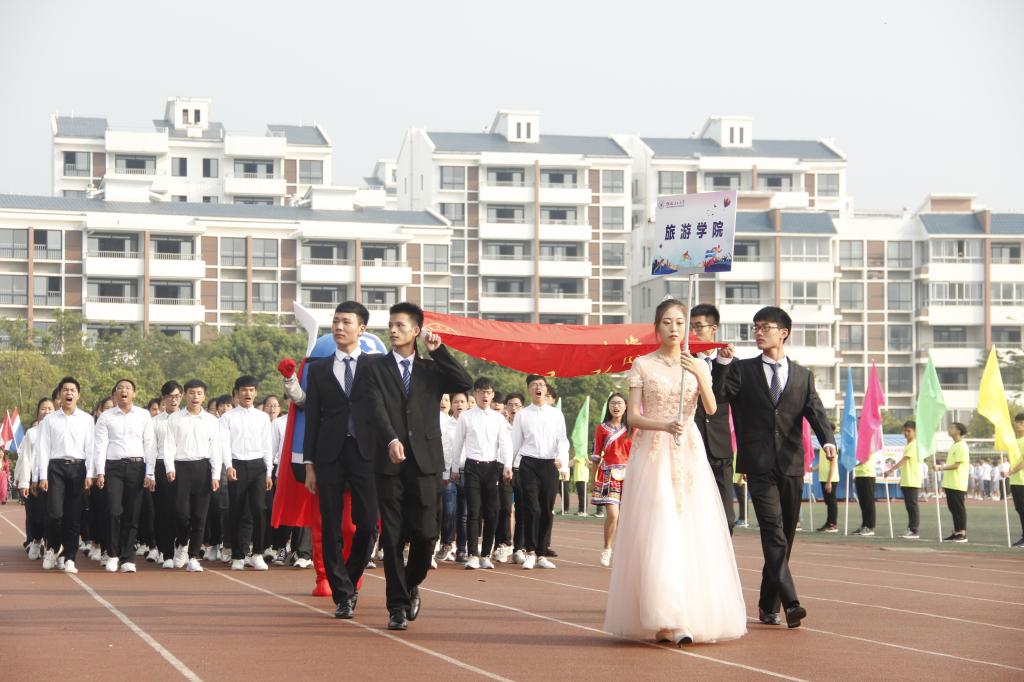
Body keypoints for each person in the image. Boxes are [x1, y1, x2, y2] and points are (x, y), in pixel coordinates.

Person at [604, 299, 746, 645]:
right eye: (667, 322)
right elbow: (633, 417)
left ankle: (689, 613)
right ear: (656, 328)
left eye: (680, 323)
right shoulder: (642, 365)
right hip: (653, 451)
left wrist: (698, 371)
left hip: (688, 452)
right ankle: (664, 617)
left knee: (691, 528)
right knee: (659, 527)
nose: (674, 328)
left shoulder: (695, 364)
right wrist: (664, 425)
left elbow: (711, 408)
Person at [720, 306, 836, 629]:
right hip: (757, 465)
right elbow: (718, 397)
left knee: (785, 537)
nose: (758, 332)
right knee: (772, 531)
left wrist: (827, 440)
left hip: (791, 464)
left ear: (783, 333)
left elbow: (816, 412)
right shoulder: (741, 370)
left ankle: (767, 604)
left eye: (765, 327)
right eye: (756, 327)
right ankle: (791, 603)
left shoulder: (803, 376)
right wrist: (722, 366)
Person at [363, 301, 472, 631]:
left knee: (426, 535)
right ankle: (396, 606)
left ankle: (411, 583)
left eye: (400, 325)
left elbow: (463, 382)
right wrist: (390, 439)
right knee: (393, 537)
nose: (393, 330)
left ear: (416, 330)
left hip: (425, 463)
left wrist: (438, 351)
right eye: (390, 325)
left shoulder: (430, 369)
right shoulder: (375, 368)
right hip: (389, 463)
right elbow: (375, 409)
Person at [302, 301, 380, 619]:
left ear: (361, 329)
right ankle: (343, 594)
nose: (338, 327)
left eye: (346, 322)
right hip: (328, 455)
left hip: (366, 454)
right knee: (331, 525)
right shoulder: (319, 369)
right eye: (335, 321)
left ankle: (350, 575)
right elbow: (312, 419)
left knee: (368, 525)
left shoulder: (376, 365)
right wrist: (309, 464)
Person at [94, 378, 157, 573]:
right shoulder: (106, 417)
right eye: (120, 388)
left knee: (132, 513)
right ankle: (113, 554)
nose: (124, 391)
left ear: (134, 393)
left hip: (137, 467)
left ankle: (128, 557)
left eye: (128, 388)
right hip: (113, 467)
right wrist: (100, 471)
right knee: (114, 511)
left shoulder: (143, 415)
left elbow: (150, 444)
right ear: (115, 394)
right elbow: (100, 445)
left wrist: (150, 472)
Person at [450, 377, 513, 570]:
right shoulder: (466, 417)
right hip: (472, 467)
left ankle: (486, 554)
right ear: (475, 394)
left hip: (492, 467)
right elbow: (458, 443)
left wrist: (507, 465)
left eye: (488, 392)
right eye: (481, 392)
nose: (485, 396)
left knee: (492, 512)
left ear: (492, 395)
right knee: (474, 511)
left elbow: (505, 443)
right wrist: (454, 467)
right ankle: (472, 555)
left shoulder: (498, 418)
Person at [38, 377, 95, 574]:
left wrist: (90, 473)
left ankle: (70, 557)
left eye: (72, 390)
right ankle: (54, 548)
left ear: (78, 395)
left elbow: (91, 448)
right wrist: (42, 475)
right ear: (60, 395)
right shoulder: (50, 420)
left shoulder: (86, 419)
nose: (69, 393)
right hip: (55, 468)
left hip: (78, 469)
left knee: (73, 516)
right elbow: (43, 448)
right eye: (65, 390)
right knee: (55, 514)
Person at [511, 375, 569, 570]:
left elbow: (563, 440)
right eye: (534, 385)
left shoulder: (556, 414)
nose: (538, 388)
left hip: (550, 465)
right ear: (529, 390)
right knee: (532, 509)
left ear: (546, 390)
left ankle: (542, 554)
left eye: (541, 385)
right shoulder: (522, 415)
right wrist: (509, 466)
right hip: (528, 464)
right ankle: (530, 552)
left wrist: (563, 461)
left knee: (546, 509)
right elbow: (515, 442)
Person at [164, 379, 222, 572]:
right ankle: (182, 543)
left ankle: (194, 557)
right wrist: (169, 467)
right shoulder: (175, 419)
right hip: (180, 468)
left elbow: (215, 448)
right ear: (185, 395)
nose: (195, 397)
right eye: (191, 393)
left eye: (199, 393)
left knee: (199, 516)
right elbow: (169, 445)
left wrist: (215, 475)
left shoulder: (211, 421)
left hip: (203, 468)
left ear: (204, 396)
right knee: (181, 514)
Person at [689, 304, 736, 531]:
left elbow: (717, 400)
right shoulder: (684, 361)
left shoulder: (732, 364)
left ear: (714, 328)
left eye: (699, 326)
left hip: (720, 449)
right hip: (691, 445)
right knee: (694, 515)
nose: (694, 332)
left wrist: (723, 366)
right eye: (691, 327)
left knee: (727, 519)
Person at [220, 375, 274, 570]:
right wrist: (228, 466)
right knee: (236, 510)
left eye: (251, 390)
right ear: (236, 393)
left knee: (259, 509)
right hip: (237, 465)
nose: (248, 393)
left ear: (256, 393)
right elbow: (224, 444)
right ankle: (237, 555)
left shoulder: (262, 417)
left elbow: (267, 445)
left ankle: (257, 553)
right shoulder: (227, 417)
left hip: (258, 466)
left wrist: (268, 472)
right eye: (244, 390)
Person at [590, 393, 631, 567]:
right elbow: (596, 455)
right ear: (608, 406)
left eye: (620, 403)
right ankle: (607, 548)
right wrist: (593, 479)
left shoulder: (633, 428)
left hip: (630, 474)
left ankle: (625, 552)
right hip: (608, 474)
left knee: (628, 517)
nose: (616, 406)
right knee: (613, 514)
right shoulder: (602, 428)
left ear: (626, 406)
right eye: (613, 403)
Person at [15, 398, 55, 560]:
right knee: (37, 515)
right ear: (38, 412)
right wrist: (24, 482)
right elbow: (25, 459)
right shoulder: (31, 433)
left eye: (50, 409)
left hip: (54, 478)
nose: (46, 412)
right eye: (43, 408)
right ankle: (36, 540)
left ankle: (51, 547)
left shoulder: (59, 431)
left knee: (54, 514)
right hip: (35, 480)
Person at [152, 381, 183, 569]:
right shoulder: (155, 422)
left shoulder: (185, 419)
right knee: (163, 512)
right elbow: (151, 449)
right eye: (170, 396)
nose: (174, 400)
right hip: (160, 467)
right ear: (163, 398)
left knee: (181, 511)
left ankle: (182, 546)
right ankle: (166, 552)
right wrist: (150, 474)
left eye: (177, 396)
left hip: (182, 466)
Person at [495, 391, 523, 562]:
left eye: (517, 405)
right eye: (510, 405)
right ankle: (503, 543)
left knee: (522, 509)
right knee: (504, 507)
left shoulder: (526, 425)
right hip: (504, 470)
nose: (514, 408)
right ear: (505, 407)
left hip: (522, 470)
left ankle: (520, 547)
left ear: (522, 407)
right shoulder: (501, 425)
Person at [885, 420, 921, 539]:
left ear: (914, 432)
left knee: (912, 506)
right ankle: (911, 529)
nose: (906, 433)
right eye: (904, 431)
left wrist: (890, 470)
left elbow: (905, 460)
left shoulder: (914, 444)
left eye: (908, 431)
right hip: (907, 479)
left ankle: (913, 530)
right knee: (909, 506)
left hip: (912, 479)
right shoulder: (908, 445)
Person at [935, 422, 969, 543]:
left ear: (959, 431)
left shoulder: (962, 446)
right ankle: (957, 532)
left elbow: (956, 465)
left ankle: (962, 533)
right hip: (950, 482)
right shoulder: (954, 445)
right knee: (953, 509)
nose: (949, 429)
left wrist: (940, 468)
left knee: (959, 508)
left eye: (952, 428)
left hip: (957, 482)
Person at [815, 423, 840, 533]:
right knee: (828, 502)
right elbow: (822, 462)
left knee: (831, 502)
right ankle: (829, 522)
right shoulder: (824, 444)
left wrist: (829, 481)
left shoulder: (832, 445)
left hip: (831, 479)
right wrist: (813, 468)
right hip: (823, 477)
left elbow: (833, 464)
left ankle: (832, 524)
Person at [852, 449, 876, 537]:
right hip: (859, 475)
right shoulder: (859, 445)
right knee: (863, 503)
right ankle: (864, 525)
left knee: (868, 503)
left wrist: (854, 465)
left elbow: (867, 458)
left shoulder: (869, 444)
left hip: (867, 475)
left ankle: (870, 527)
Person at [1009, 414, 1024, 548]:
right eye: (1017, 422)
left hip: (1022, 481)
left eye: (1020, 422)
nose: (1017, 425)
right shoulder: (1014, 441)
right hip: (1015, 481)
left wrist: (1011, 472)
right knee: (1020, 509)